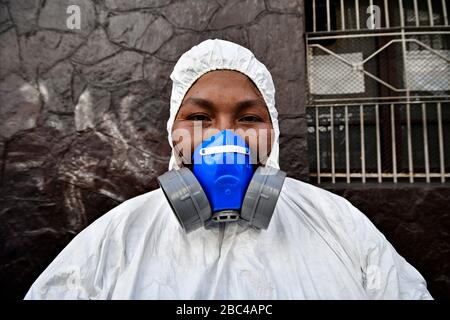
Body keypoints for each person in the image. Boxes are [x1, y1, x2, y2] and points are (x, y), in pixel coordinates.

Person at [24, 39, 432, 299]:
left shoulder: (339, 226)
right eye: (199, 118)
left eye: (249, 119)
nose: (226, 138)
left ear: (272, 130)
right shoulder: (118, 238)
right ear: (173, 133)